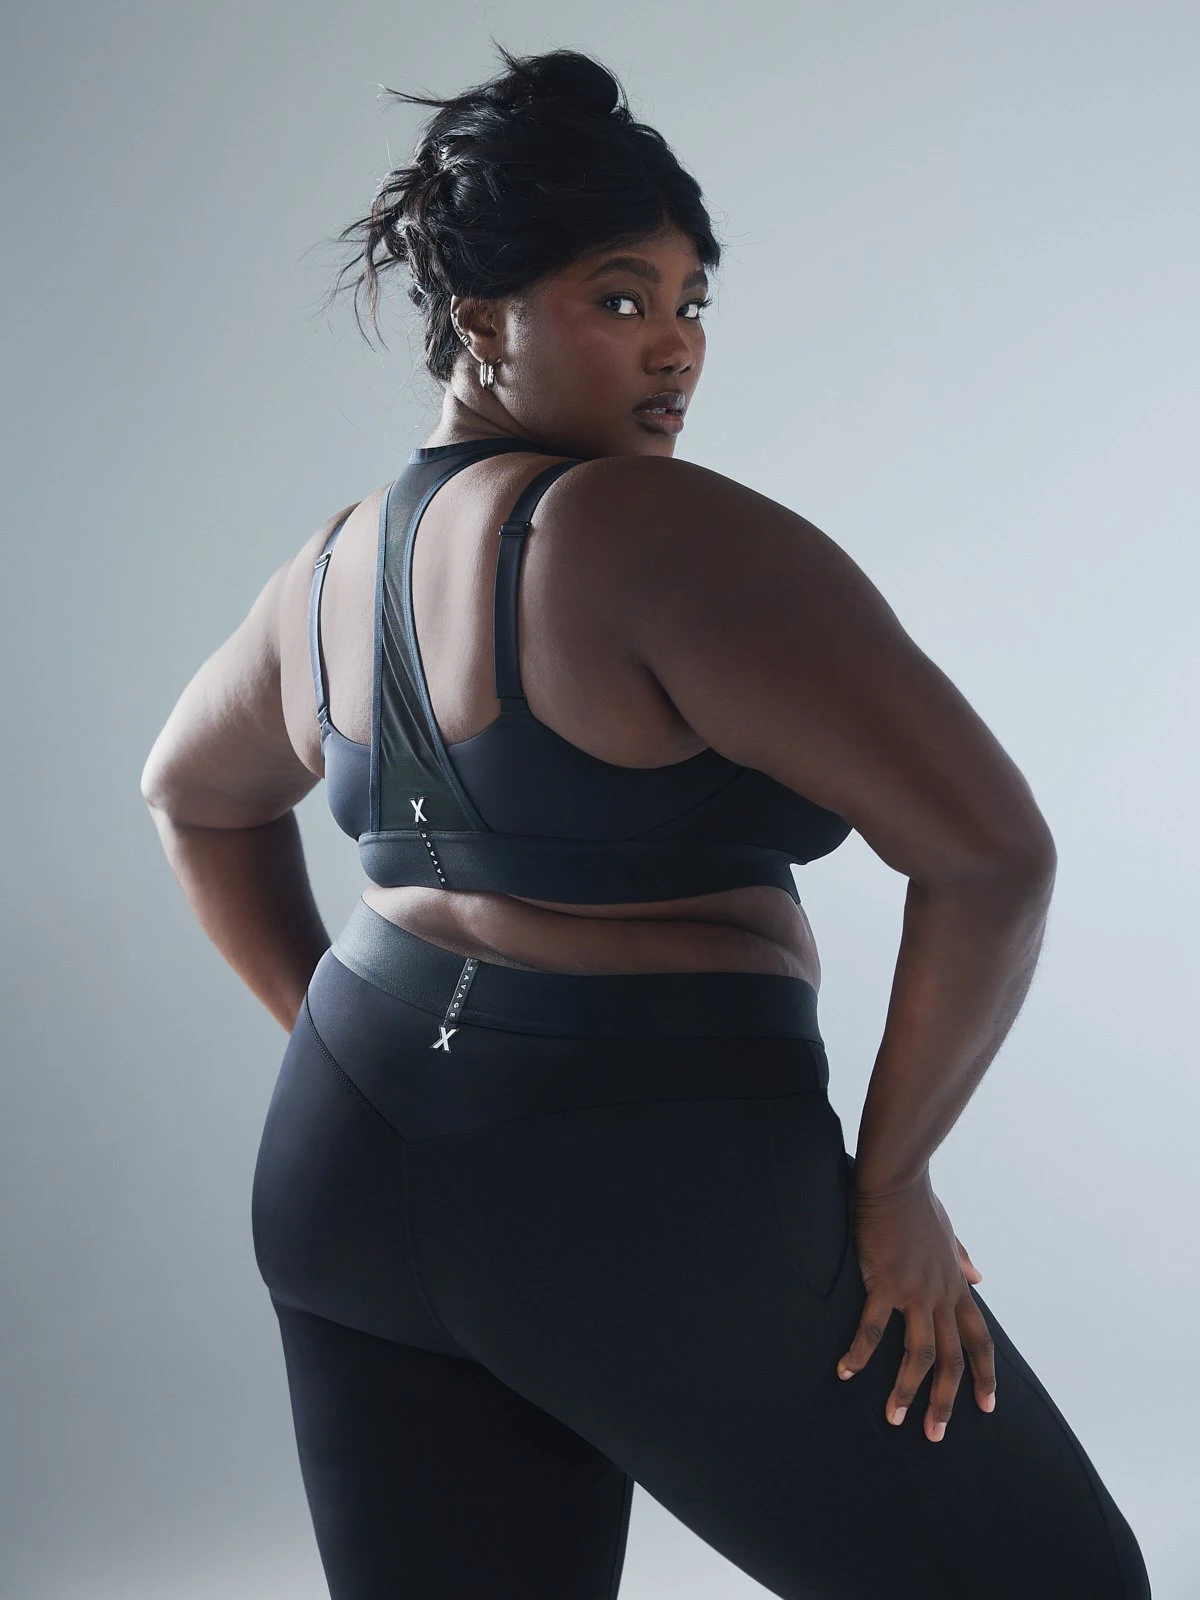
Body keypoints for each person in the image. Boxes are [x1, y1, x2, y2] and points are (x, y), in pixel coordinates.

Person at [140, 44, 1151, 1600]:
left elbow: (189, 796)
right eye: (620, 300)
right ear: (482, 317)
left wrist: (345, 1048)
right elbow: (993, 856)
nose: (676, 346)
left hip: (346, 1166)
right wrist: (890, 1188)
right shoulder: (654, 531)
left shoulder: (335, 564)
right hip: (639, 1178)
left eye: (692, 301)